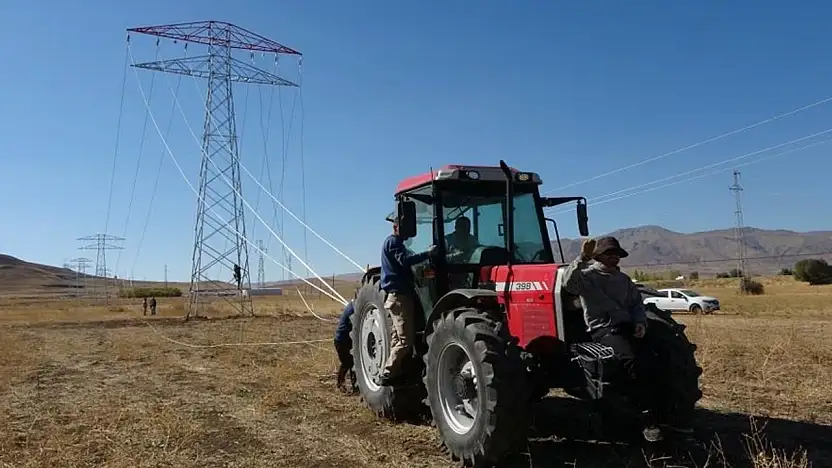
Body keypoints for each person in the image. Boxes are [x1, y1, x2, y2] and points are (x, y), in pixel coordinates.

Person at [561, 236, 687, 443]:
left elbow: (637, 304)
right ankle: (646, 418)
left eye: (617, 255)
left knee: (660, 356)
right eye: (609, 254)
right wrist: (581, 258)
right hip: (603, 330)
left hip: (628, 327)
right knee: (631, 361)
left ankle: (669, 412)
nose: (614, 258)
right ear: (597, 256)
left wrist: (640, 323)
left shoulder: (624, 280)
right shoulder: (586, 277)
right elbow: (568, 285)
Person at [377, 220, 435, 386]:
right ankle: (387, 374)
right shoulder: (393, 242)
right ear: (396, 227)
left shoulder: (394, 243)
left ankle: (397, 374)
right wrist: (427, 254)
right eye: (405, 227)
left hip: (396, 296)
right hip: (399, 297)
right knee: (405, 341)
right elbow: (404, 261)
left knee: (397, 339)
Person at [334, 295, 357, 393]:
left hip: (344, 339)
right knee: (348, 363)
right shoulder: (353, 308)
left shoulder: (351, 306)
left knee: (352, 362)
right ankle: (340, 384)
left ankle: (354, 385)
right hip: (342, 340)